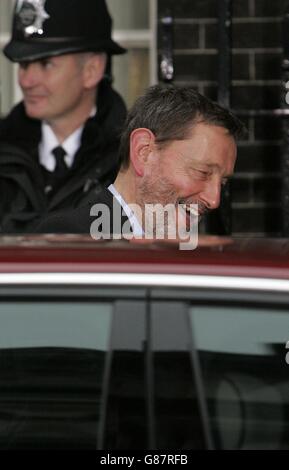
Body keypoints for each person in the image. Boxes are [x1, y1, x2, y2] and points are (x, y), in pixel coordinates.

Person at [36, 84, 244, 240]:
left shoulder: (190, 247)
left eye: (223, 183)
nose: (214, 199)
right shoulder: (70, 238)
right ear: (143, 152)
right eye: (202, 172)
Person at [0, 0, 127, 233]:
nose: (26, 81)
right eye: (24, 64)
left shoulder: (133, 163)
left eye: (45, 64)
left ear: (92, 70)